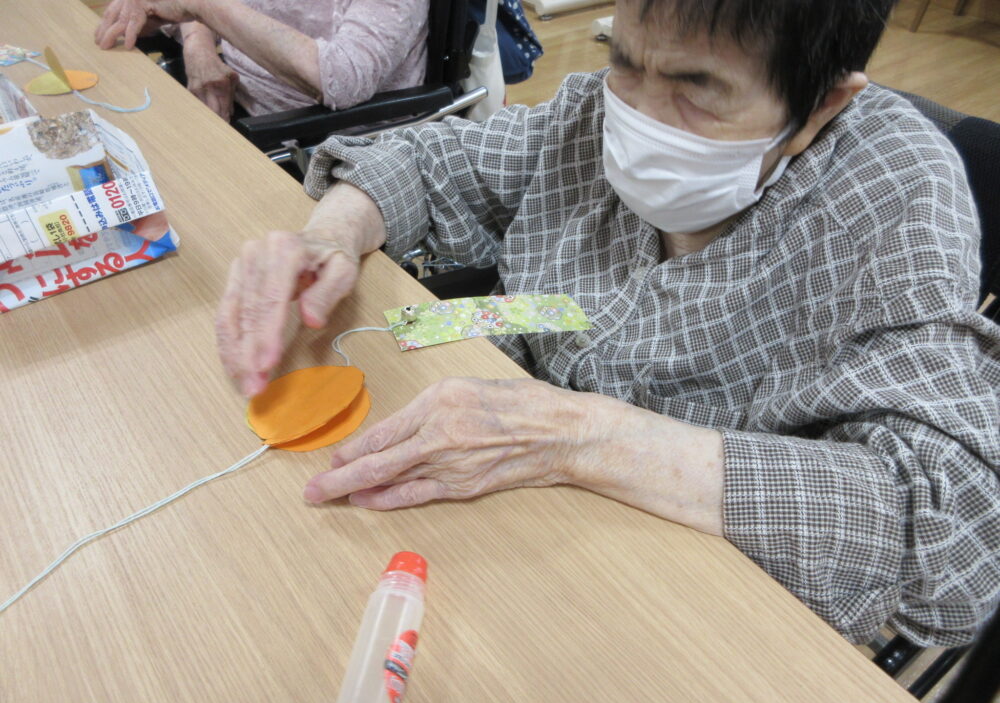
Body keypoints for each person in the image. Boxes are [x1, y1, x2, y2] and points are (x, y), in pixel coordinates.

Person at [215, 0, 1000, 648]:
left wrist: (589, 438)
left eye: (697, 88)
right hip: (500, 497)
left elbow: (953, 534)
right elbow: (438, 159)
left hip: (674, 592)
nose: (638, 115)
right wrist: (332, 236)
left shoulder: (896, 188)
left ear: (821, 104)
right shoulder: (601, 104)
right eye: (624, 59)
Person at [93, 0, 429, 120]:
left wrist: (203, 8)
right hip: (229, 102)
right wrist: (198, 44)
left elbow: (342, 79)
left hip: (317, 138)